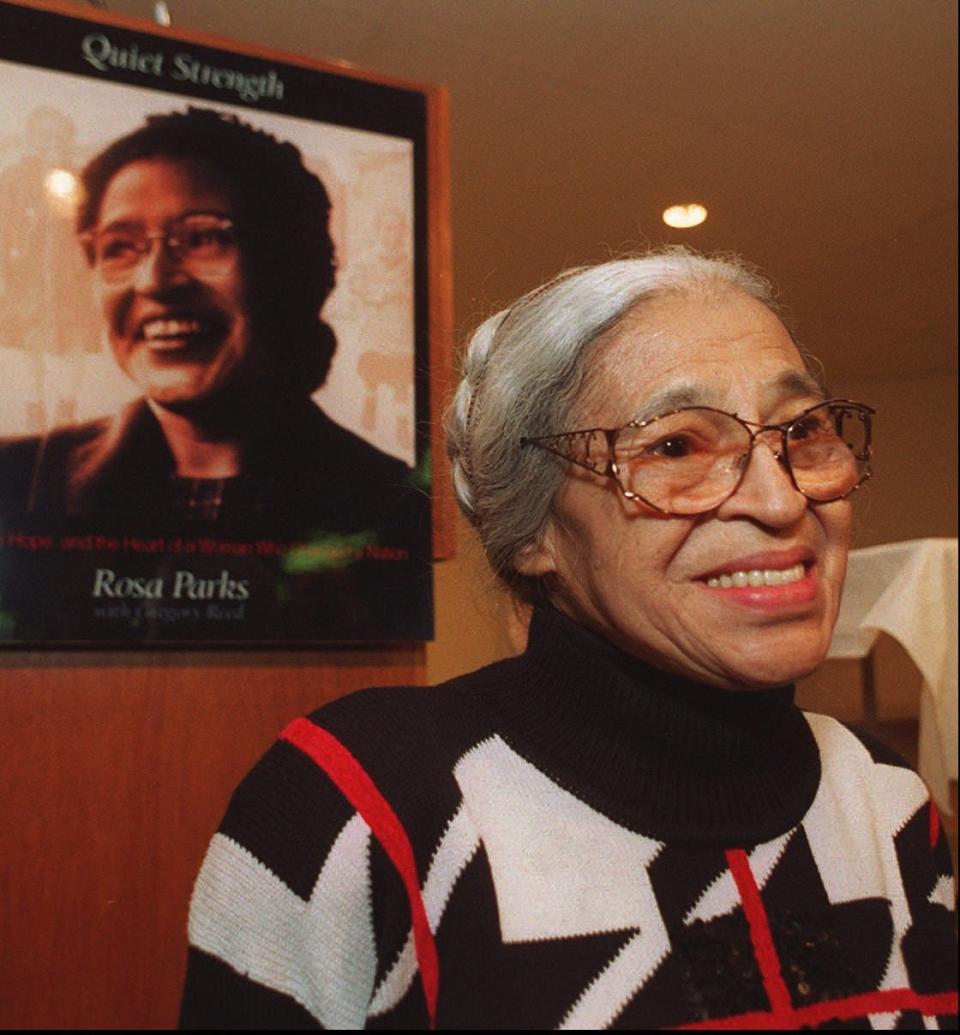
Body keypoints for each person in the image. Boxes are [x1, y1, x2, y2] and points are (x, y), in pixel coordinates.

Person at [179, 249, 957, 1028]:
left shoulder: (884, 799)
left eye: (803, 429)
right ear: (532, 533)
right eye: (677, 445)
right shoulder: (360, 810)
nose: (780, 499)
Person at [0, 107, 422, 543]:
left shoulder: (390, 506)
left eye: (203, 238)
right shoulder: (20, 477)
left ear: (292, 269)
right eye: (120, 247)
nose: (154, 281)